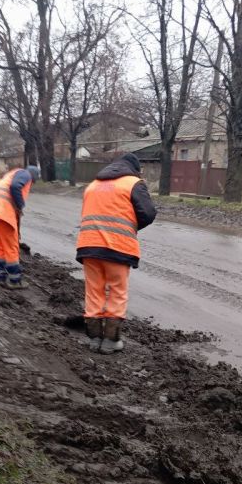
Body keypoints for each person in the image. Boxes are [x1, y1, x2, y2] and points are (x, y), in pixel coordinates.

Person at [76, 152, 156, 354]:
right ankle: (111, 341)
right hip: (117, 246)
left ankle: (94, 339)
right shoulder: (133, 183)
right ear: (134, 169)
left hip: (88, 245)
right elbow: (148, 213)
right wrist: (131, 227)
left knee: (94, 291)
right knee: (117, 292)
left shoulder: (93, 185)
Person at [0, 165, 40, 289]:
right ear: (33, 176)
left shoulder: (11, 174)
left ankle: (1, 277)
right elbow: (15, 186)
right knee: (11, 246)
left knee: (0, 245)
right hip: (2, 211)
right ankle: (14, 281)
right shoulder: (26, 174)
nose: (31, 184)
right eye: (33, 182)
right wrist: (20, 205)